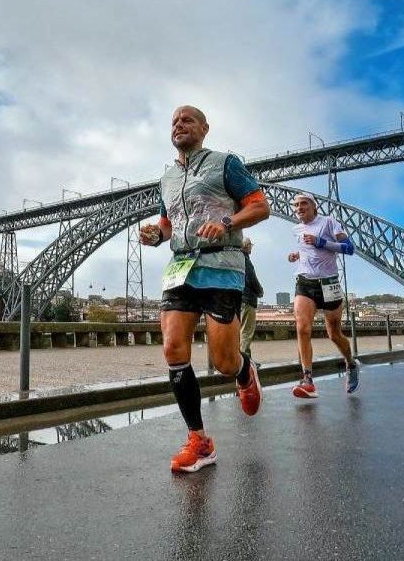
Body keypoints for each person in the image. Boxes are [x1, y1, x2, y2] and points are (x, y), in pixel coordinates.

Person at [138, 105, 270, 474]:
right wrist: (156, 234)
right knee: (172, 347)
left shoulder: (226, 163)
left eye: (188, 120)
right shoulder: (166, 178)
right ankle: (199, 440)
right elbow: (169, 222)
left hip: (222, 267)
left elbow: (260, 207)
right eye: (175, 121)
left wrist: (227, 221)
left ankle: (245, 372)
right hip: (180, 269)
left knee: (224, 361)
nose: (179, 125)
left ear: (205, 128)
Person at [287, 192, 359, 398]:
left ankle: (351, 364)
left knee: (334, 333)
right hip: (305, 282)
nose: (299, 207)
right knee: (302, 327)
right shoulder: (296, 229)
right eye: (296, 205)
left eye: (303, 204)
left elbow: (349, 248)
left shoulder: (329, 222)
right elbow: (308, 251)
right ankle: (307, 379)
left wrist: (322, 242)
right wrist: (296, 255)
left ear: (314, 206)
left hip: (329, 284)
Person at [239, 238, 264, 359]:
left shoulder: (237, 259)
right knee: (246, 332)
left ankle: (243, 360)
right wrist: (260, 291)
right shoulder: (245, 260)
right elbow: (252, 279)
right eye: (250, 245)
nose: (251, 247)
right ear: (247, 246)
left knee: (240, 331)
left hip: (238, 299)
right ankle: (245, 363)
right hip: (247, 299)